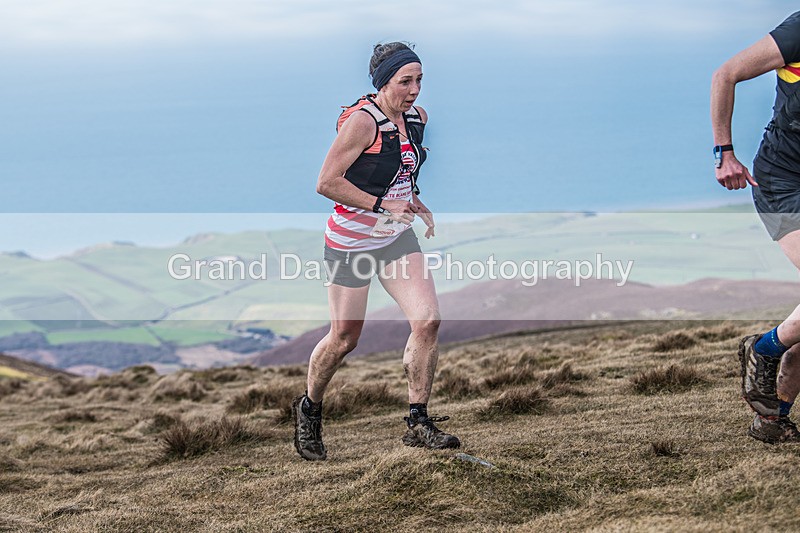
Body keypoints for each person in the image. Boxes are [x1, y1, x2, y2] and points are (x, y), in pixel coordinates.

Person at [292, 42, 460, 461]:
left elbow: (399, 169)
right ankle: (310, 408)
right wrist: (385, 204)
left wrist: (411, 197)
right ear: (384, 82)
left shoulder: (418, 119)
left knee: (428, 320)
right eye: (406, 81)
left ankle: (418, 421)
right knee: (345, 338)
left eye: (419, 80)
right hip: (351, 243)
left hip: (394, 238)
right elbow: (326, 182)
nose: (415, 90)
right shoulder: (362, 123)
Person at [712, 11, 800, 443]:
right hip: (783, 182)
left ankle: (771, 420)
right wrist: (724, 153)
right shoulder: (798, 31)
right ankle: (763, 348)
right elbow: (725, 74)